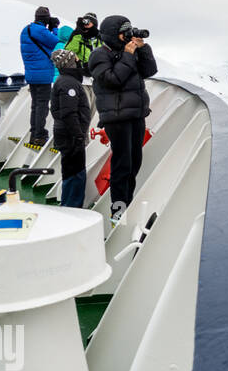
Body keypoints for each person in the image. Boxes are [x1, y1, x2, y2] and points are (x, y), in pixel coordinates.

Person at [89, 15, 156, 221]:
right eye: (123, 32)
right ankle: (118, 210)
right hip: (116, 118)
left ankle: (128, 201)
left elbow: (149, 70)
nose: (127, 36)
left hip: (135, 115)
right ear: (111, 35)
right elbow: (113, 80)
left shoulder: (130, 52)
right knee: (122, 164)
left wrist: (142, 49)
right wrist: (128, 55)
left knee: (135, 162)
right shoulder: (99, 55)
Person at [50, 49, 92, 208]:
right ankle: (72, 209)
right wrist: (78, 135)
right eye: (75, 58)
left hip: (68, 135)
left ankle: (68, 206)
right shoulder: (69, 83)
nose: (78, 60)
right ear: (70, 62)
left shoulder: (65, 81)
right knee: (75, 174)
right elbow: (68, 113)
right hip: (71, 136)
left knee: (71, 172)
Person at [20, 6, 60, 146]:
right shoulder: (40, 30)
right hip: (43, 75)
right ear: (45, 19)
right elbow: (55, 41)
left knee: (35, 105)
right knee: (42, 106)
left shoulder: (26, 30)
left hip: (31, 74)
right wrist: (54, 27)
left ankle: (33, 134)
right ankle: (39, 135)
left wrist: (48, 27)